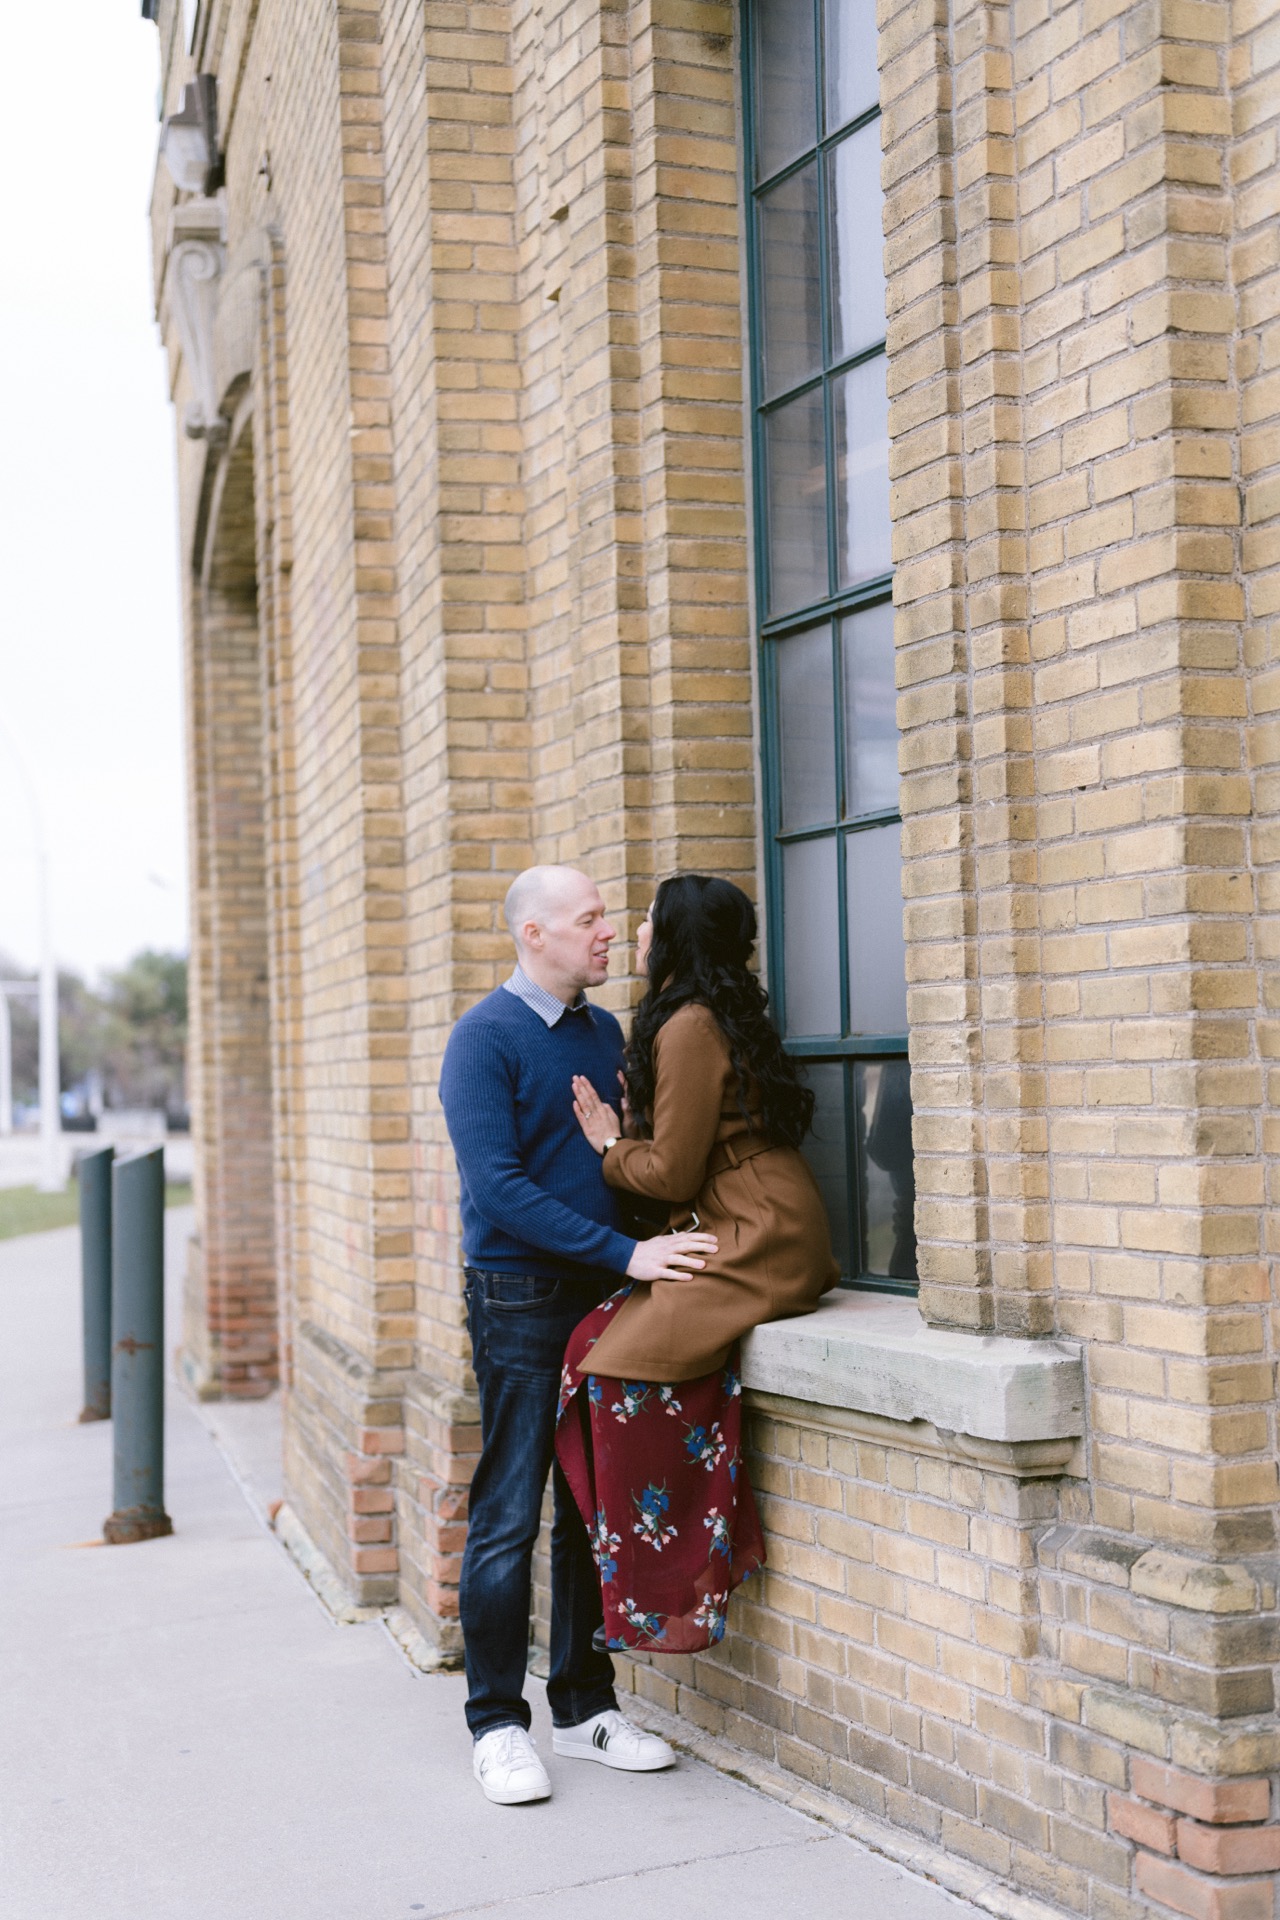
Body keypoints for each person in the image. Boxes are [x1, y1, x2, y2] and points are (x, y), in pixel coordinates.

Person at [438, 864, 719, 1806]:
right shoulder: (483, 1041)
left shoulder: (605, 1034)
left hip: (607, 1295)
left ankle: (584, 1709)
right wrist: (626, 1255)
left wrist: (644, 1245)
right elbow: (500, 1192)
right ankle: (495, 1725)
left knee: (591, 1507)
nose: (607, 933)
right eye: (590, 919)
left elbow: (621, 1163)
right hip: (521, 1300)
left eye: (607, 919)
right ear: (534, 934)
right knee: (510, 1512)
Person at [555, 873, 840, 1656]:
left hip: (756, 1235)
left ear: (674, 936)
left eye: (647, 920)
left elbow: (672, 1176)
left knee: (614, 1368)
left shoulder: (686, 1026)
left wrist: (612, 1147)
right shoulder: (703, 1016)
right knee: (588, 1344)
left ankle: (677, 1575)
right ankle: (671, 1563)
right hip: (758, 1223)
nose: (637, 934)